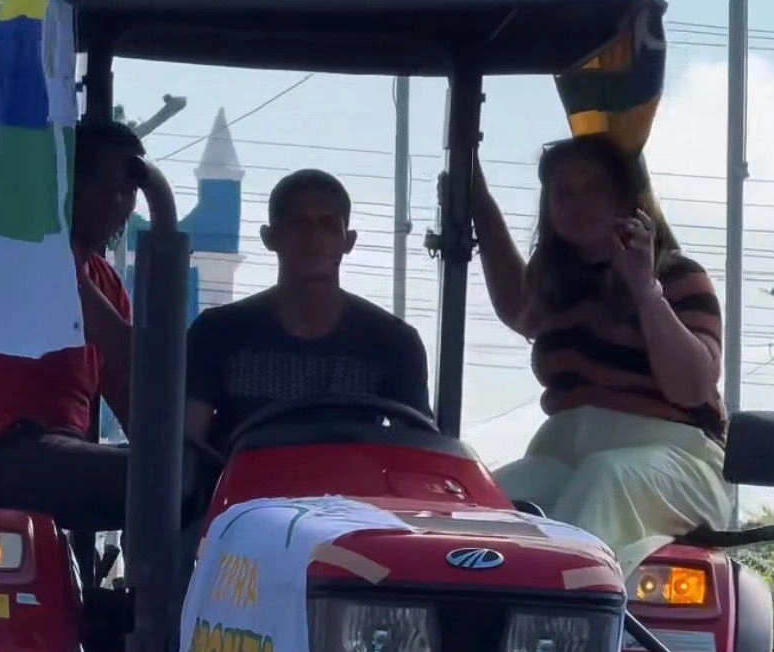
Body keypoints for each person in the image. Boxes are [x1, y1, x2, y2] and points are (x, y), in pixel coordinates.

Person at [472, 134, 732, 572]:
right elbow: (517, 307)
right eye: (564, 193)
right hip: (566, 455)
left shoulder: (679, 277)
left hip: (678, 462)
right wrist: (477, 199)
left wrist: (644, 290)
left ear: (627, 198)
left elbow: (692, 387)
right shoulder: (557, 286)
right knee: (487, 502)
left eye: (595, 188)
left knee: (606, 478)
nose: (579, 203)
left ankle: (554, 617)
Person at [0, 119, 142, 531]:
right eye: (106, 190)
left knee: (182, 480)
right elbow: (124, 349)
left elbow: (131, 392)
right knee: (167, 480)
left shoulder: (106, 281)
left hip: (53, 450)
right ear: (68, 190)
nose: (119, 205)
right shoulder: (33, 253)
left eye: (128, 192)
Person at [186, 169, 431, 452]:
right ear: (270, 237)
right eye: (298, 224)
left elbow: (418, 454)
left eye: (327, 225)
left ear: (348, 241)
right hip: (243, 495)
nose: (313, 238)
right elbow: (185, 450)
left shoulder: (395, 343)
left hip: (353, 493)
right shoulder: (217, 334)